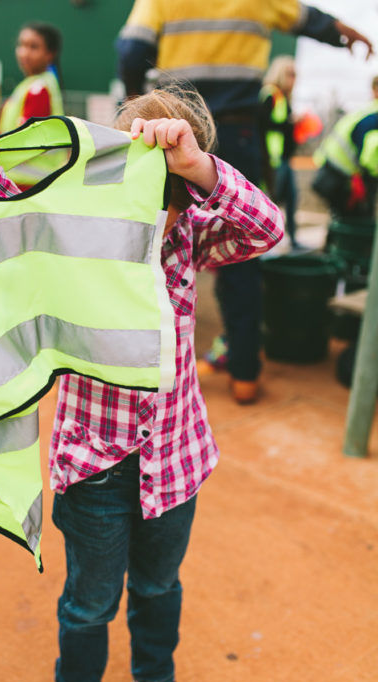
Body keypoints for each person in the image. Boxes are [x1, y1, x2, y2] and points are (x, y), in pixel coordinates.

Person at [0, 80, 283, 682]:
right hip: (93, 464)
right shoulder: (70, 228)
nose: (150, 218)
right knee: (88, 601)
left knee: (159, 585)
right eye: (133, 193)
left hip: (175, 462)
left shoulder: (191, 241)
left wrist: (196, 167)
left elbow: (266, 228)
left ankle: (157, 679)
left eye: (166, 199)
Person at [117, 0, 372, 405]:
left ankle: (135, 360)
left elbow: (131, 50)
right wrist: (347, 35)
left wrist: (138, 107)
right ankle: (244, 371)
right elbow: (311, 20)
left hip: (164, 133)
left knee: (148, 238)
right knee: (237, 258)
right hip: (236, 134)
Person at [311, 76, 378, 219]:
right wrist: (369, 173)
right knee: (352, 217)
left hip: (334, 167)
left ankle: (335, 239)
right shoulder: (373, 115)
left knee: (342, 215)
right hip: (339, 172)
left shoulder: (367, 111)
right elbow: (368, 153)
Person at [259, 56, 304, 250]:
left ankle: (292, 240)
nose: (293, 79)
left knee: (291, 200)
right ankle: (264, 245)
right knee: (270, 204)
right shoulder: (270, 94)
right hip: (273, 161)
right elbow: (261, 125)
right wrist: (289, 122)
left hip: (284, 160)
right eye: (290, 74)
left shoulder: (284, 98)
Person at [0, 21, 63, 134]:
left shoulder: (38, 90)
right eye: (21, 45)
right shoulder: (28, 85)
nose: (24, 53)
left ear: (49, 54)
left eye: (33, 47)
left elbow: (28, 141)